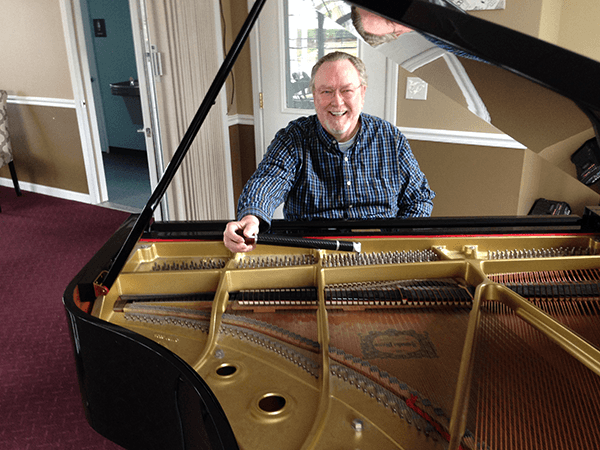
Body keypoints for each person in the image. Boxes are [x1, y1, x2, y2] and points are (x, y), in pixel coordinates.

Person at [223, 51, 434, 253]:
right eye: (326, 91)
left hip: (379, 253)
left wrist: (400, 243)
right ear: (315, 96)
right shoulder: (293, 137)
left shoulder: (389, 137)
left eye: (346, 90)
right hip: (311, 252)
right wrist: (252, 218)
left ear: (362, 93)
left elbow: (418, 198)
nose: (337, 101)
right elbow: (269, 180)